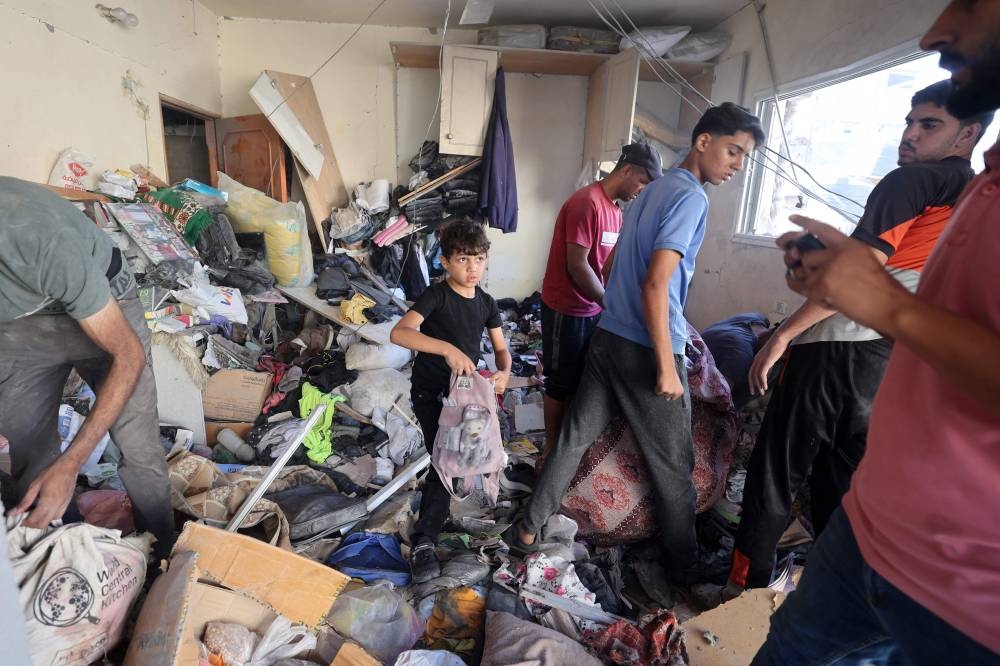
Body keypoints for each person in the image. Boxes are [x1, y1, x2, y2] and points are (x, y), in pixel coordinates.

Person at [752, 1, 1000, 662]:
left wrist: (787, 333)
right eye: (909, 121)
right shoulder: (976, 187)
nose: (933, 33)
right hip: (874, 527)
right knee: (835, 467)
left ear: (965, 133)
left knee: (775, 470)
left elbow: (870, 284)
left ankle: (739, 582)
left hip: (966, 596)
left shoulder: (910, 181)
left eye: (928, 122)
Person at [512, 103, 765, 577]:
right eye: (733, 151)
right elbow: (656, 284)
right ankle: (686, 570)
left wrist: (618, 312)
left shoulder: (650, 193)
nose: (736, 166)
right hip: (646, 349)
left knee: (572, 438)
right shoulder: (690, 197)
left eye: (743, 159)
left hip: (608, 336)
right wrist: (667, 365)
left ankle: (527, 529)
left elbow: (609, 269)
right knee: (676, 468)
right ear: (703, 141)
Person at [0, 177, 175, 559]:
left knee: (137, 446)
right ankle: (68, 557)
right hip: (23, 326)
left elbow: (128, 356)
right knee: (29, 447)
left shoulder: (36, 241)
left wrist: (73, 461)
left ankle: (162, 557)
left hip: (107, 308)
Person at [390, 219, 512, 583]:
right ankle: (424, 542)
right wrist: (446, 349)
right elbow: (400, 333)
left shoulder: (487, 303)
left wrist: (503, 372)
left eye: (478, 259)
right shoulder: (437, 296)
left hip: (468, 399)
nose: (472, 268)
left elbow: (501, 350)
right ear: (444, 262)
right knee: (443, 463)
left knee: (465, 459)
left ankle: (447, 508)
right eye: (462, 260)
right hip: (433, 395)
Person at [538, 142, 661, 465]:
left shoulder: (617, 211)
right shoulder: (586, 203)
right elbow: (577, 266)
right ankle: (550, 446)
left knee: (581, 379)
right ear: (626, 170)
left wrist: (622, 300)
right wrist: (609, 303)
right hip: (566, 307)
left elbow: (606, 266)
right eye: (644, 182)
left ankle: (567, 444)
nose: (642, 191)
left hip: (592, 309)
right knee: (560, 380)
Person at [700, 312, 773, 410]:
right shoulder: (741, 356)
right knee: (763, 373)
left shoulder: (757, 317)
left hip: (693, 350)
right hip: (696, 378)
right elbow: (720, 398)